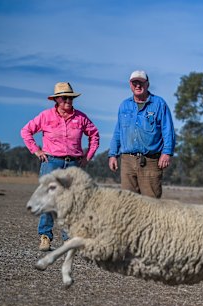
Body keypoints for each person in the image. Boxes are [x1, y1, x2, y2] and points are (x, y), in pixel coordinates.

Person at [21, 82, 100, 251]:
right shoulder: (45, 116)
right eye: (64, 98)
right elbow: (25, 131)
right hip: (52, 162)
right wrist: (36, 150)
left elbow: (94, 135)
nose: (68, 101)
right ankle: (45, 237)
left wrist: (88, 157)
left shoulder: (81, 117)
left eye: (71, 98)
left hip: (73, 163)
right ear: (56, 99)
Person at [108, 70, 175, 198]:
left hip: (150, 160)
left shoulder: (159, 104)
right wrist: (112, 154)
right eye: (135, 83)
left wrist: (166, 153)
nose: (138, 86)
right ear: (130, 85)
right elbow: (118, 131)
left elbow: (168, 130)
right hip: (127, 160)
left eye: (141, 83)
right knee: (128, 202)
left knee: (152, 203)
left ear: (147, 84)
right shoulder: (124, 105)